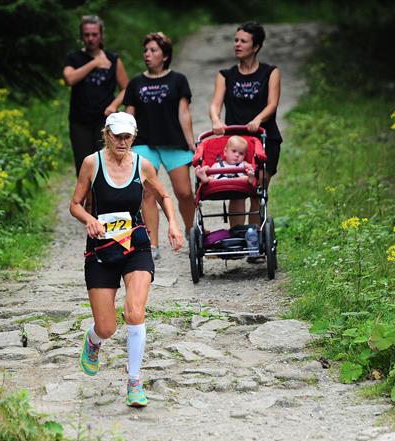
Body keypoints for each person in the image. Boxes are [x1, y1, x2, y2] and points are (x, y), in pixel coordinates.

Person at [69, 112, 183, 407]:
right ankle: (94, 340)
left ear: (133, 137)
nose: (122, 141)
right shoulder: (92, 163)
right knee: (107, 327)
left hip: (136, 246)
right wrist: (88, 220)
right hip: (101, 249)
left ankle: (134, 381)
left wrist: (172, 224)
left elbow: (164, 196)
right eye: (117, 136)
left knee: (134, 312)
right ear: (106, 134)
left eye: (127, 137)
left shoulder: (142, 165)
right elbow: (75, 204)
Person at [123, 32, 196, 260]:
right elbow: (129, 115)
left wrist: (192, 143)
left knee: (184, 192)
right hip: (144, 143)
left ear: (165, 56)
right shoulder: (136, 83)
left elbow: (184, 113)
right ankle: (152, 244)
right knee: (148, 192)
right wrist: (124, 143)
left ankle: (192, 232)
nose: (147, 54)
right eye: (145, 50)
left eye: (153, 50)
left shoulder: (178, 80)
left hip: (174, 141)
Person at [209, 21, 282, 232]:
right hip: (236, 142)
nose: (237, 45)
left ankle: (254, 237)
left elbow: (272, 104)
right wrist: (216, 120)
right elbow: (215, 104)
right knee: (237, 189)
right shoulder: (225, 75)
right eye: (236, 40)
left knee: (257, 188)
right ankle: (237, 236)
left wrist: (258, 120)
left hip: (264, 138)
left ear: (256, 46)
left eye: (243, 41)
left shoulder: (270, 72)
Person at [63, 15, 129, 176]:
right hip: (80, 122)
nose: (90, 38)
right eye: (86, 35)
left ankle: (105, 193)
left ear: (101, 35)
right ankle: (86, 194)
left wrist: (114, 105)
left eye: (94, 34)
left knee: (106, 165)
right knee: (84, 167)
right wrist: (94, 63)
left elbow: (127, 88)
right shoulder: (74, 58)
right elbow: (69, 79)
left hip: (105, 122)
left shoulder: (113, 59)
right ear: (81, 36)